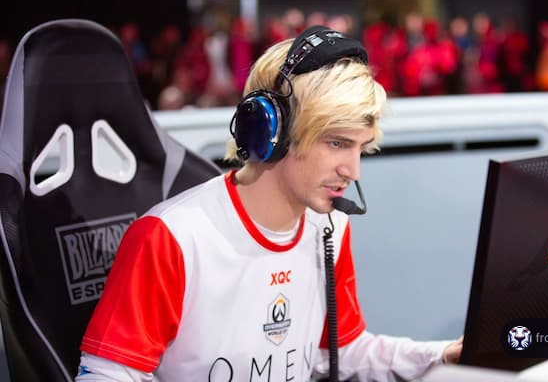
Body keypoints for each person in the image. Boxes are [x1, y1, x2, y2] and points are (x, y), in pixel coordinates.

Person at [75, 25, 462, 382]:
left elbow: (340, 352)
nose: (353, 171)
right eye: (337, 143)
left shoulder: (330, 226)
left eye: (361, 148)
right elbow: (108, 375)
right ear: (269, 131)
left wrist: (442, 356)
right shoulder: (170, 238)